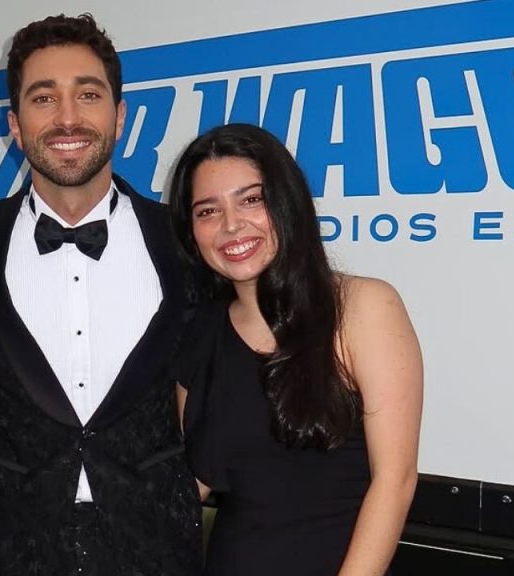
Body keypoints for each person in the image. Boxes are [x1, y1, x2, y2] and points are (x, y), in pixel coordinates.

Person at [0, 13, 202, 576]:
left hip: (159, 548)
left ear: (119, 117)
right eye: (43, 98)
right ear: (15, 126)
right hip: (7, 547)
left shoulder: (187, 241)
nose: (67, 118)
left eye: (88, 95)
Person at [168, 124, 423, 576]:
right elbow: (194, 481)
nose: (231, 225)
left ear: (287, 202)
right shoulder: (201, 331)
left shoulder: (363, 307)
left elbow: (395, 482)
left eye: (251, 199)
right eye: (208, 210)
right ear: (192, 231)